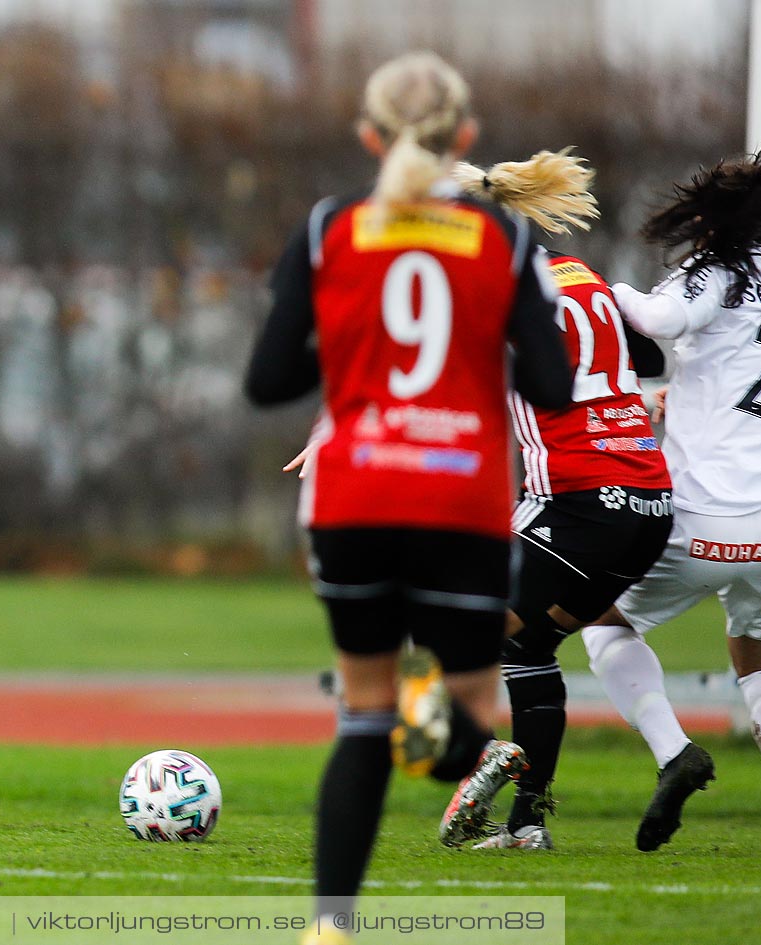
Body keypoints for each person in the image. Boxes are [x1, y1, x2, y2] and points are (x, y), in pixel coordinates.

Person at [243, 51, 571, 938]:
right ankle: (458, 739)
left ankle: (329, 926)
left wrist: (352, 361)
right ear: (465, 139)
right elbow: (551, 387)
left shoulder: (328, 229)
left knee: (363, 712)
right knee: (460, 710)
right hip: (458, 502)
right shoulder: (504, 240)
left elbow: (268, 382)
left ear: (367, 135)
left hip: (352, 497)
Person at [577, 140, 761, 856]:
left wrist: (592, 285)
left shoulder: (714, 271)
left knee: (600, 619)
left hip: (701, 518)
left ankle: (676, 752)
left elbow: (658, 322)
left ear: (709, 225)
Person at [437, 150, 674, 850]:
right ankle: (527, 822)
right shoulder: (580, 274)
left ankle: (480, 754)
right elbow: (649, 360)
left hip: (580, 502)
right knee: (526, 643)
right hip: (648, 505)